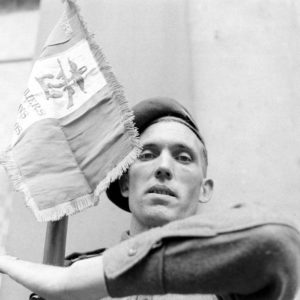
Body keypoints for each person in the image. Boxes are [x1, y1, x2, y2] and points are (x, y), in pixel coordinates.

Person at [1, 97, 300, 300]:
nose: (164, 168)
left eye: (183, 158)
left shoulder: (230, 285)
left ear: (205, 188)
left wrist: (76, 281)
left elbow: (275, 241)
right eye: (148, 154)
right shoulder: (67, 279)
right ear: (125, 183)